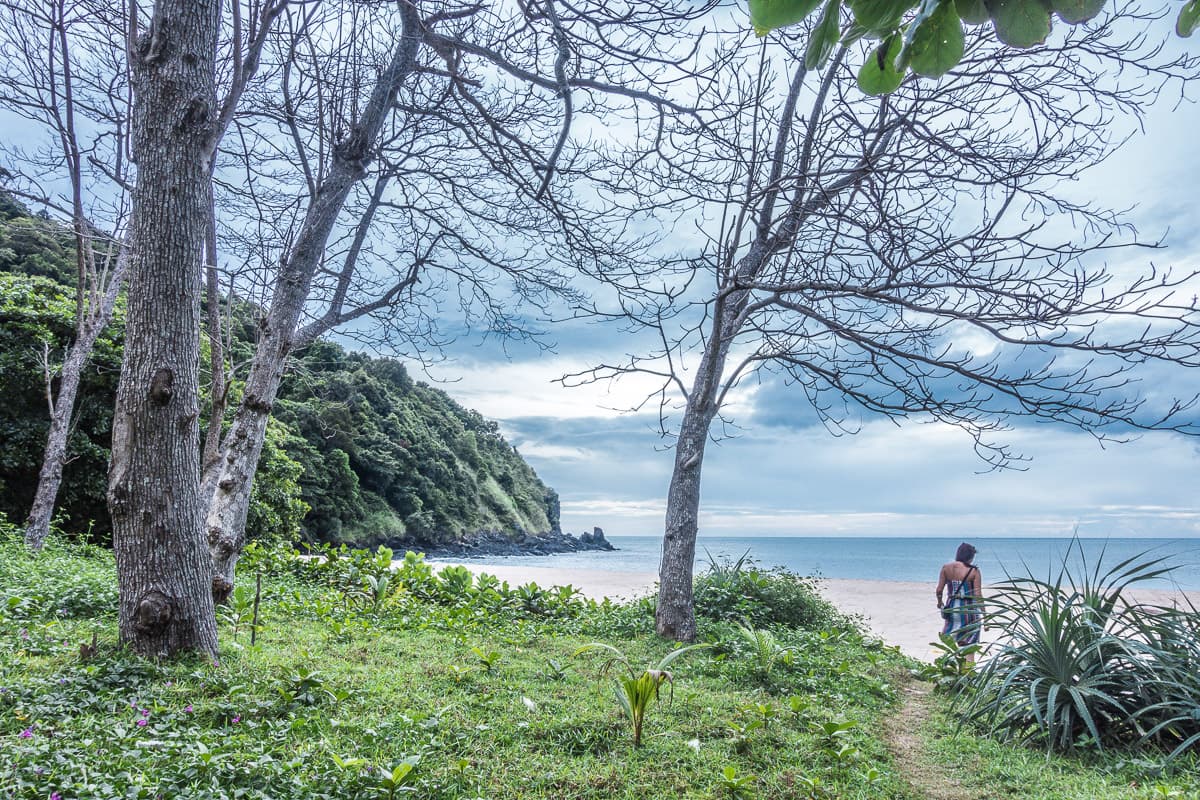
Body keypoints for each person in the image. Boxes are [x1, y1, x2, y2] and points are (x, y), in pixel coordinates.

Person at [936, 542, 983, 658]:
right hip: (969, 611)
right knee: (969, 645)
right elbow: (978, 595)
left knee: (950, 640)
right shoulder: (974, 571)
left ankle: (949, 667)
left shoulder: (946, 568)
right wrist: (984, 613)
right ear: (970, 557)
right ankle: (967, 673)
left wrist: (940, 602)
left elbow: (939, 590)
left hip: (952, 608)